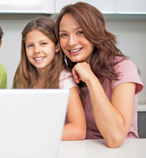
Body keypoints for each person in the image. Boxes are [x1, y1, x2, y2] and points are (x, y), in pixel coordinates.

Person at [55, 2, 144, 148]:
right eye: (64, 35)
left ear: (95, 32)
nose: (71, 42)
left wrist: (90, 78)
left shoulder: (123, 67)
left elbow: (115, 138)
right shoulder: (67, 74)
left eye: (80, 32)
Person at [13, 16, 86, 140]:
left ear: (57, 46)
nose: (37, 50)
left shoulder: (64, 79)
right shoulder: (23, 77)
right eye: (30, 45)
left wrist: (34, 135)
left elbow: (79, 130)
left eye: (43, 43)